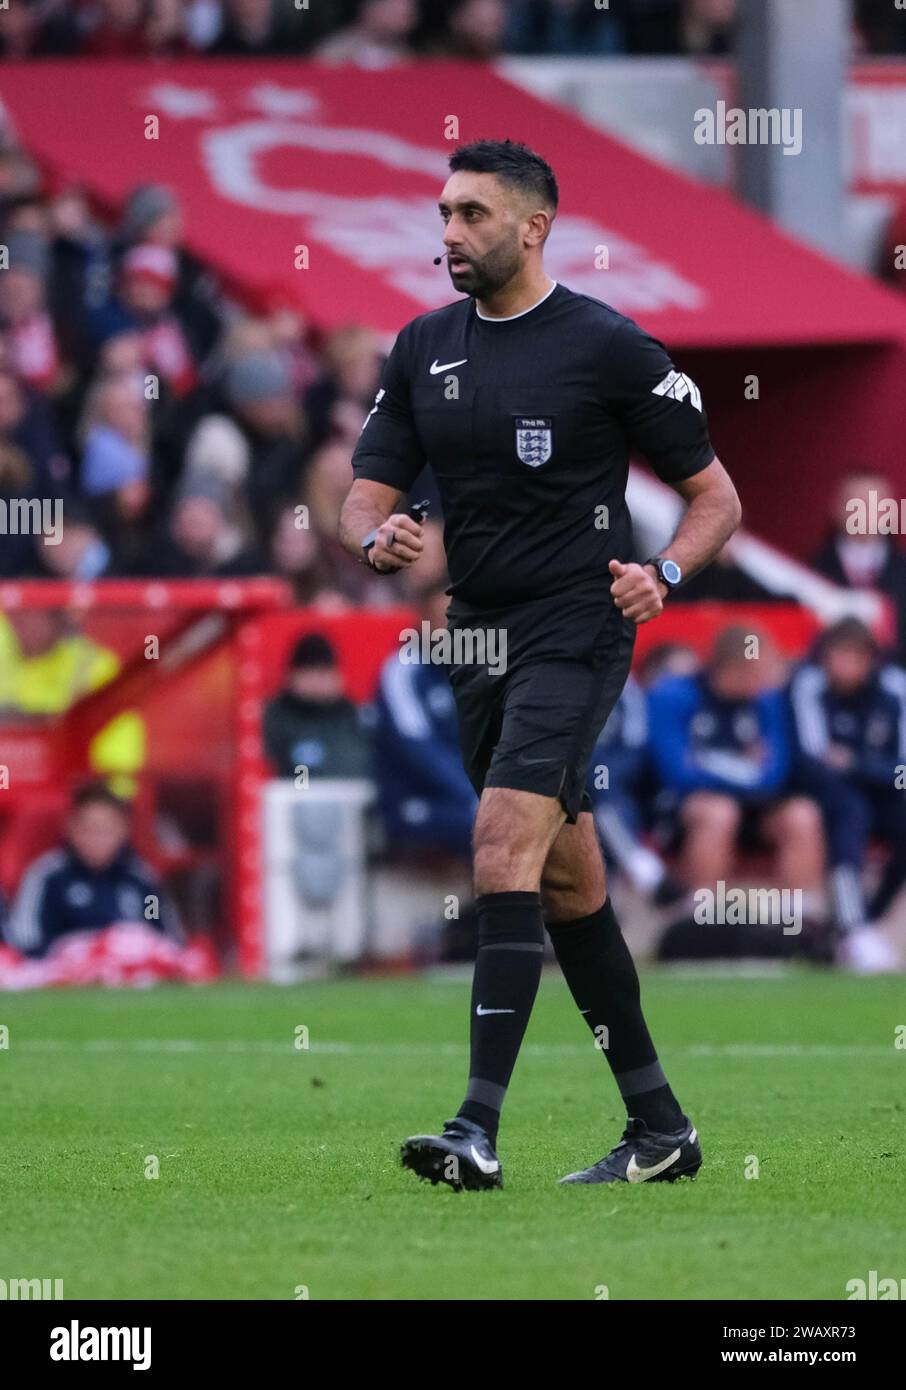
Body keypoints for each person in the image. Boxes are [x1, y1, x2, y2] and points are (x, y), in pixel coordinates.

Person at [339, 139, 741, 1189]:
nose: (450, 234)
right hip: (475, 633)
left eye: (472, 214)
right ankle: (661, 1127)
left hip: (579, 623)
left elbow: (717, 499)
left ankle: (475, 1129)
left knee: (502, 843)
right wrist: (368, 537)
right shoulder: (422, 345)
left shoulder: (605, 346)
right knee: (568, 875)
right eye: (444, 214)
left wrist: (665, 573)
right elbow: (364, 493)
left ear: (533, 227)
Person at [788, 618, 906, 973]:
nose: (844, 666)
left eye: (854, 656)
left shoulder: (895, 688)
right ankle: (852, 929)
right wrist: (862, 767)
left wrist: (855, 763)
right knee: (849, 815)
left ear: (871, 659)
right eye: (838, 656)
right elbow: (813, 758)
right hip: (829, 791)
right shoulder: (808, 685)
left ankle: (869, 917)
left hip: (882, 788)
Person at [4, 782, 181, 959]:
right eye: (89, 829)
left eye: (105, 830)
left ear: (124, 830)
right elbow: (25, 944)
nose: (97, 839)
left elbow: (164, 937)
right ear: (70, 828)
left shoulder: (144, 883)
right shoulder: (46, 878)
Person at [373, 581, 478, 860]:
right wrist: (475, 795)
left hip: (468, 800)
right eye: (440, 617)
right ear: (422, 620)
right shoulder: (402, 671)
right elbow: (416, 747)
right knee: (491, 825)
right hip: (414, 801)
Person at [262, 633, 371, 780]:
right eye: (310, 673)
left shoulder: (355, 718)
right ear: (292, 676)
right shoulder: (275, 719)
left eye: (323, 673)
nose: (317, 682)